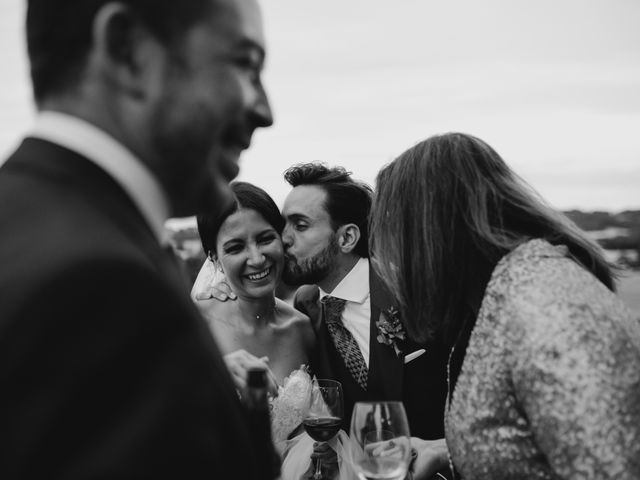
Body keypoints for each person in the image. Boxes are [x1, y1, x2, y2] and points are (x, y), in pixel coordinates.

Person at [0, 0, 273, 478]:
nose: (263, 109)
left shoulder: (25, 219)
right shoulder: (101, 288)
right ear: (130, 52)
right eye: (245, 64)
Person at [369, 132, 640, 479]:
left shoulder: (547, 306)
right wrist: (444, 452)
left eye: (393, 237)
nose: (389, 261)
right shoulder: (497, 295)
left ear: (427, 235)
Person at [280, 163, 450, 477]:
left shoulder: (417, 294)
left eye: (299, 226)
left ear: (346, 237)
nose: (283, 239)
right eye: (283, 226)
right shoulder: (306, 304)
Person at [195, 181, 314, 394]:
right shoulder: (196, 324)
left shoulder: (303, 328)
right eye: (236, 248)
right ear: (214, 258)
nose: (257, 259)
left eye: (265, 239)